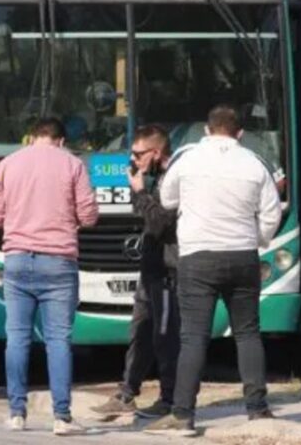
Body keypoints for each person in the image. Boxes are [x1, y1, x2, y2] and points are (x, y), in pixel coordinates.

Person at [145, 105, 282, 437]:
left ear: (206, 131)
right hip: (242, 256)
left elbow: (166, 198)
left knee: (193, 337)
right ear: (240, 134)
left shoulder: (187, 160)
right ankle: (258, 409)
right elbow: (271, 214)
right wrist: (257, 239)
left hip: (197, 258)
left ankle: (183, 415)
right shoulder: (255, 164)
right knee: (247, 333)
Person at [0, 117, 99, 436]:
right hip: (59, 262)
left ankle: (16, 413)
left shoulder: (7, 165)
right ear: (61, 141)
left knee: (18, 337)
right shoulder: (73, 165)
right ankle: (62, 418)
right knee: (59, 340)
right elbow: (88, 216)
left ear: (31, 138)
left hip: (18, 260)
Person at [91, 125, 179, 421]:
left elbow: (159, 224)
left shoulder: (173, 179)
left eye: (139, 154)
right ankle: (126, 393)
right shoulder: (154, 178)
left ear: (156, 152)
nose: (133, 159)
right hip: (151, 268)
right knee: (140, 331)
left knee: (164, 336)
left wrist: (140, 192)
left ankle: (169, 400)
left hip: (169, 269)